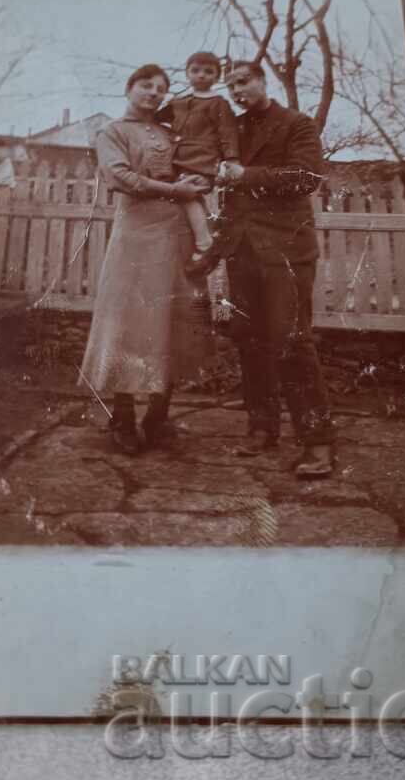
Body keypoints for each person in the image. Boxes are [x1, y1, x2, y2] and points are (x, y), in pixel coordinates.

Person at [78, 64, 210, 453]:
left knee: (171, 321)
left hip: (176, 238)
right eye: (146, 85)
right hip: (136, 238)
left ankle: (157, 418)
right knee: (129, 323)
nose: (154, 92)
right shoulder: (112, 132)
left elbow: (194, 171)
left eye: (161, 88)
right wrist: (177, 191)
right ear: (129, 88)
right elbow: (119, 178)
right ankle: (121, 420)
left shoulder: (171, 135)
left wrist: (196, 184)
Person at [216, 60, 334, 474]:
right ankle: (262, 427)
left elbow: (305, 177)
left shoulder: (297, 123)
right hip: (242, 251)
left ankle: (317, 442)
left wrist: (245, 175)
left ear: (263, 81)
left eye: (243, 81)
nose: (236, 90)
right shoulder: (233, 130)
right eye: (230, 85)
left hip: (286, 251)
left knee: (292, 342)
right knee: (249, 340)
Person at [156, 51, 241, 272]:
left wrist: (231, 159)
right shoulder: (178, 102)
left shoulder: (218, 104)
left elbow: (228, 133)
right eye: (195, 70)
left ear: (216, 77)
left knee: (188, 197)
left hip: (201, 161)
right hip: (176, 159)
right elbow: (153, 119)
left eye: (208, 72)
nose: (201, 75)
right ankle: (200, 240)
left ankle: (205, 244)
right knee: (181, 199)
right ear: (187, 73)